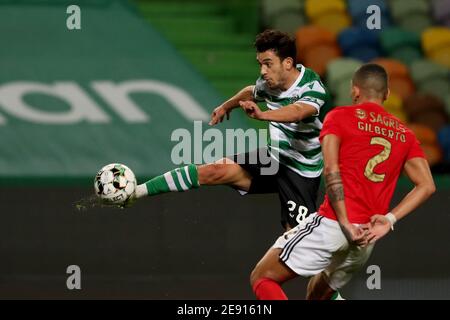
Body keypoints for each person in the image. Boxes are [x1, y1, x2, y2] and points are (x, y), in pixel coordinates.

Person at [249, 63, 436, 300]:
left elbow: (331, 169)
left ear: (354, 91)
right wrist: (389, 220)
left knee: (263, 277)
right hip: (367, 235)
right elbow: (427, 185)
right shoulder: (405, 134)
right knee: (317, 294)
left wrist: (345, 222)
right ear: (387, 94)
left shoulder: (339, 117)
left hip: (334, 223)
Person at [132, 29, 333, 231]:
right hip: (275, 158)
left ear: (287, 63)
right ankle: (136, 191)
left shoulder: (312, 86)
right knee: (215, 170)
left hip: (301, 171)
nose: (263, 71)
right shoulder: (269, 83)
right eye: (260, 64)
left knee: (296, 242)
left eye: (268, 64)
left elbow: (297, 111)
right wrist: (225, 107)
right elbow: (250, 91)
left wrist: (262, 115)